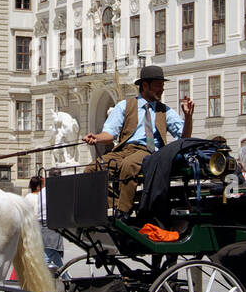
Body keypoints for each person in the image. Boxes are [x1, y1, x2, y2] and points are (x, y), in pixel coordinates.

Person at [82, 64, 195, 214]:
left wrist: (188, 117)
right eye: (158, 85)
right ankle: (111, 204)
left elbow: (184, 137)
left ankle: (123, 212)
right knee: (92, 169)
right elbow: (109, 134)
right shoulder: (124, 106)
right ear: (145, 85)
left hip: (148, 151)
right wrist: (96, 138)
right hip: (123, 151)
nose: (162, 89)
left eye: (162, 85)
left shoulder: (165, 111)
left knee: (129, 165)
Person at [26, 174, 64, 271]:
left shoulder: (34, 195)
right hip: (48, 225)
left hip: (38, 226)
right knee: (48, 255)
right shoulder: (48, 192)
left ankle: (65, 277)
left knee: (53, 255)